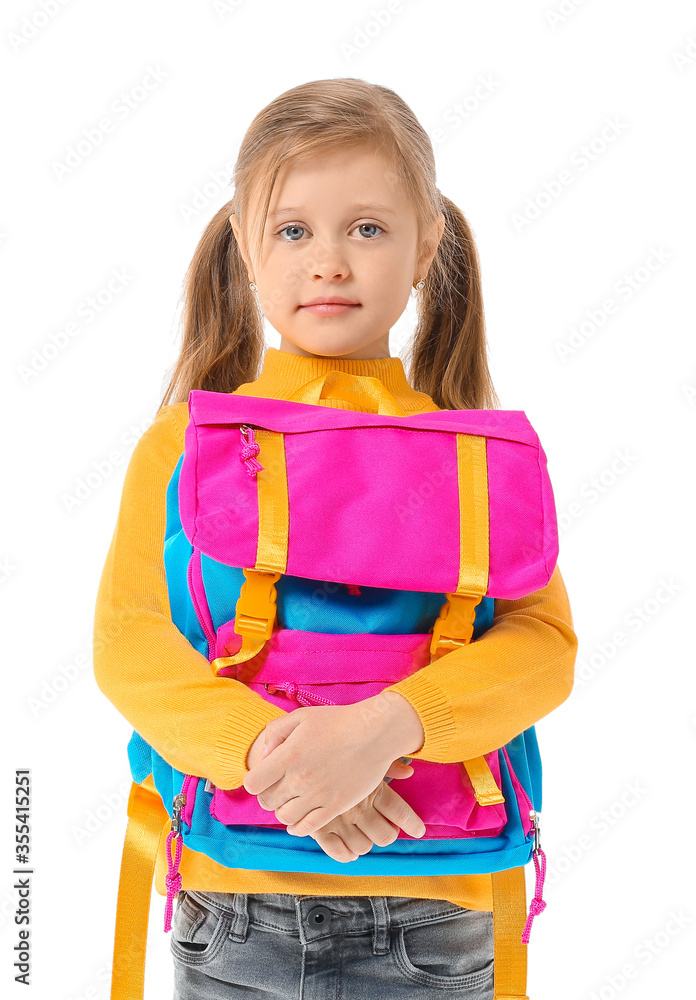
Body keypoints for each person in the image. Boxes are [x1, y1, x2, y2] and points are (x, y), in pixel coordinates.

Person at [93, 77, 578, 999]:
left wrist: (386, 728)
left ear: (427, 246)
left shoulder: (479, 455)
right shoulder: (182, 444)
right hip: (235, 906)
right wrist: (280, 760)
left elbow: (542, 644)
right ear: (244, 248)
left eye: (367, 228)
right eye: (292, 231)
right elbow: (129, 643)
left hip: (435, 910)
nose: (329, 262)